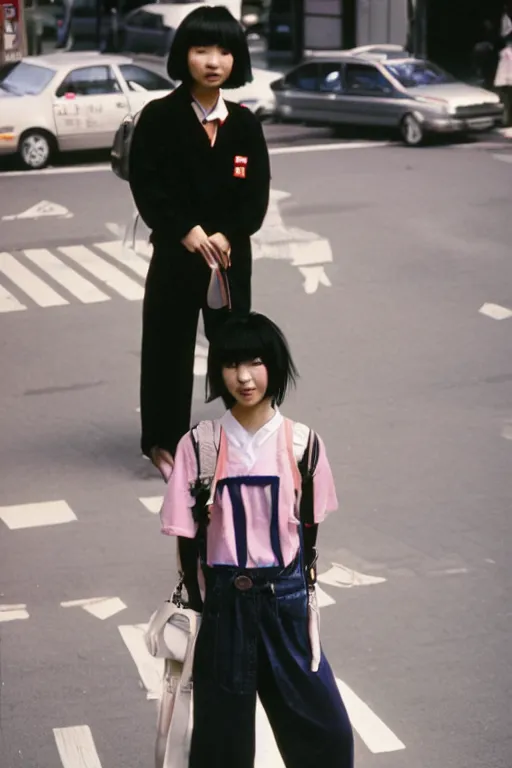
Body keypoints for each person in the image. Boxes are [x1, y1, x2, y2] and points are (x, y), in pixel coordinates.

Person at [160, 312, 354, 768]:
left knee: (325, 734)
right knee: (221, 746)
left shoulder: (303, 444)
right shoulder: (200, 445)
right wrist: (198, 604)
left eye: (255, 362)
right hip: (224, 606)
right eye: (230, 365)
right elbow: (187, 537)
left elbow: (308, 528)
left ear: (276, 366)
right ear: (218, 372)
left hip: (285, 603)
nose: (243, 377)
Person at [128, 6, 271, 480]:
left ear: (237, 59)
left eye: (225, 50)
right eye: (201, 49)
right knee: (167, 348)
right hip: (176, 253)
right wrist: (185, 230)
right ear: (182, 54)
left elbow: (256, 196)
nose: (213, 61)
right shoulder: (159, 117)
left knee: (236, 348)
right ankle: (163, 443)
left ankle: (243, 434)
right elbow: (147, 184)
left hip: (230, 258)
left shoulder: (245, 124)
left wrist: (228, 234)